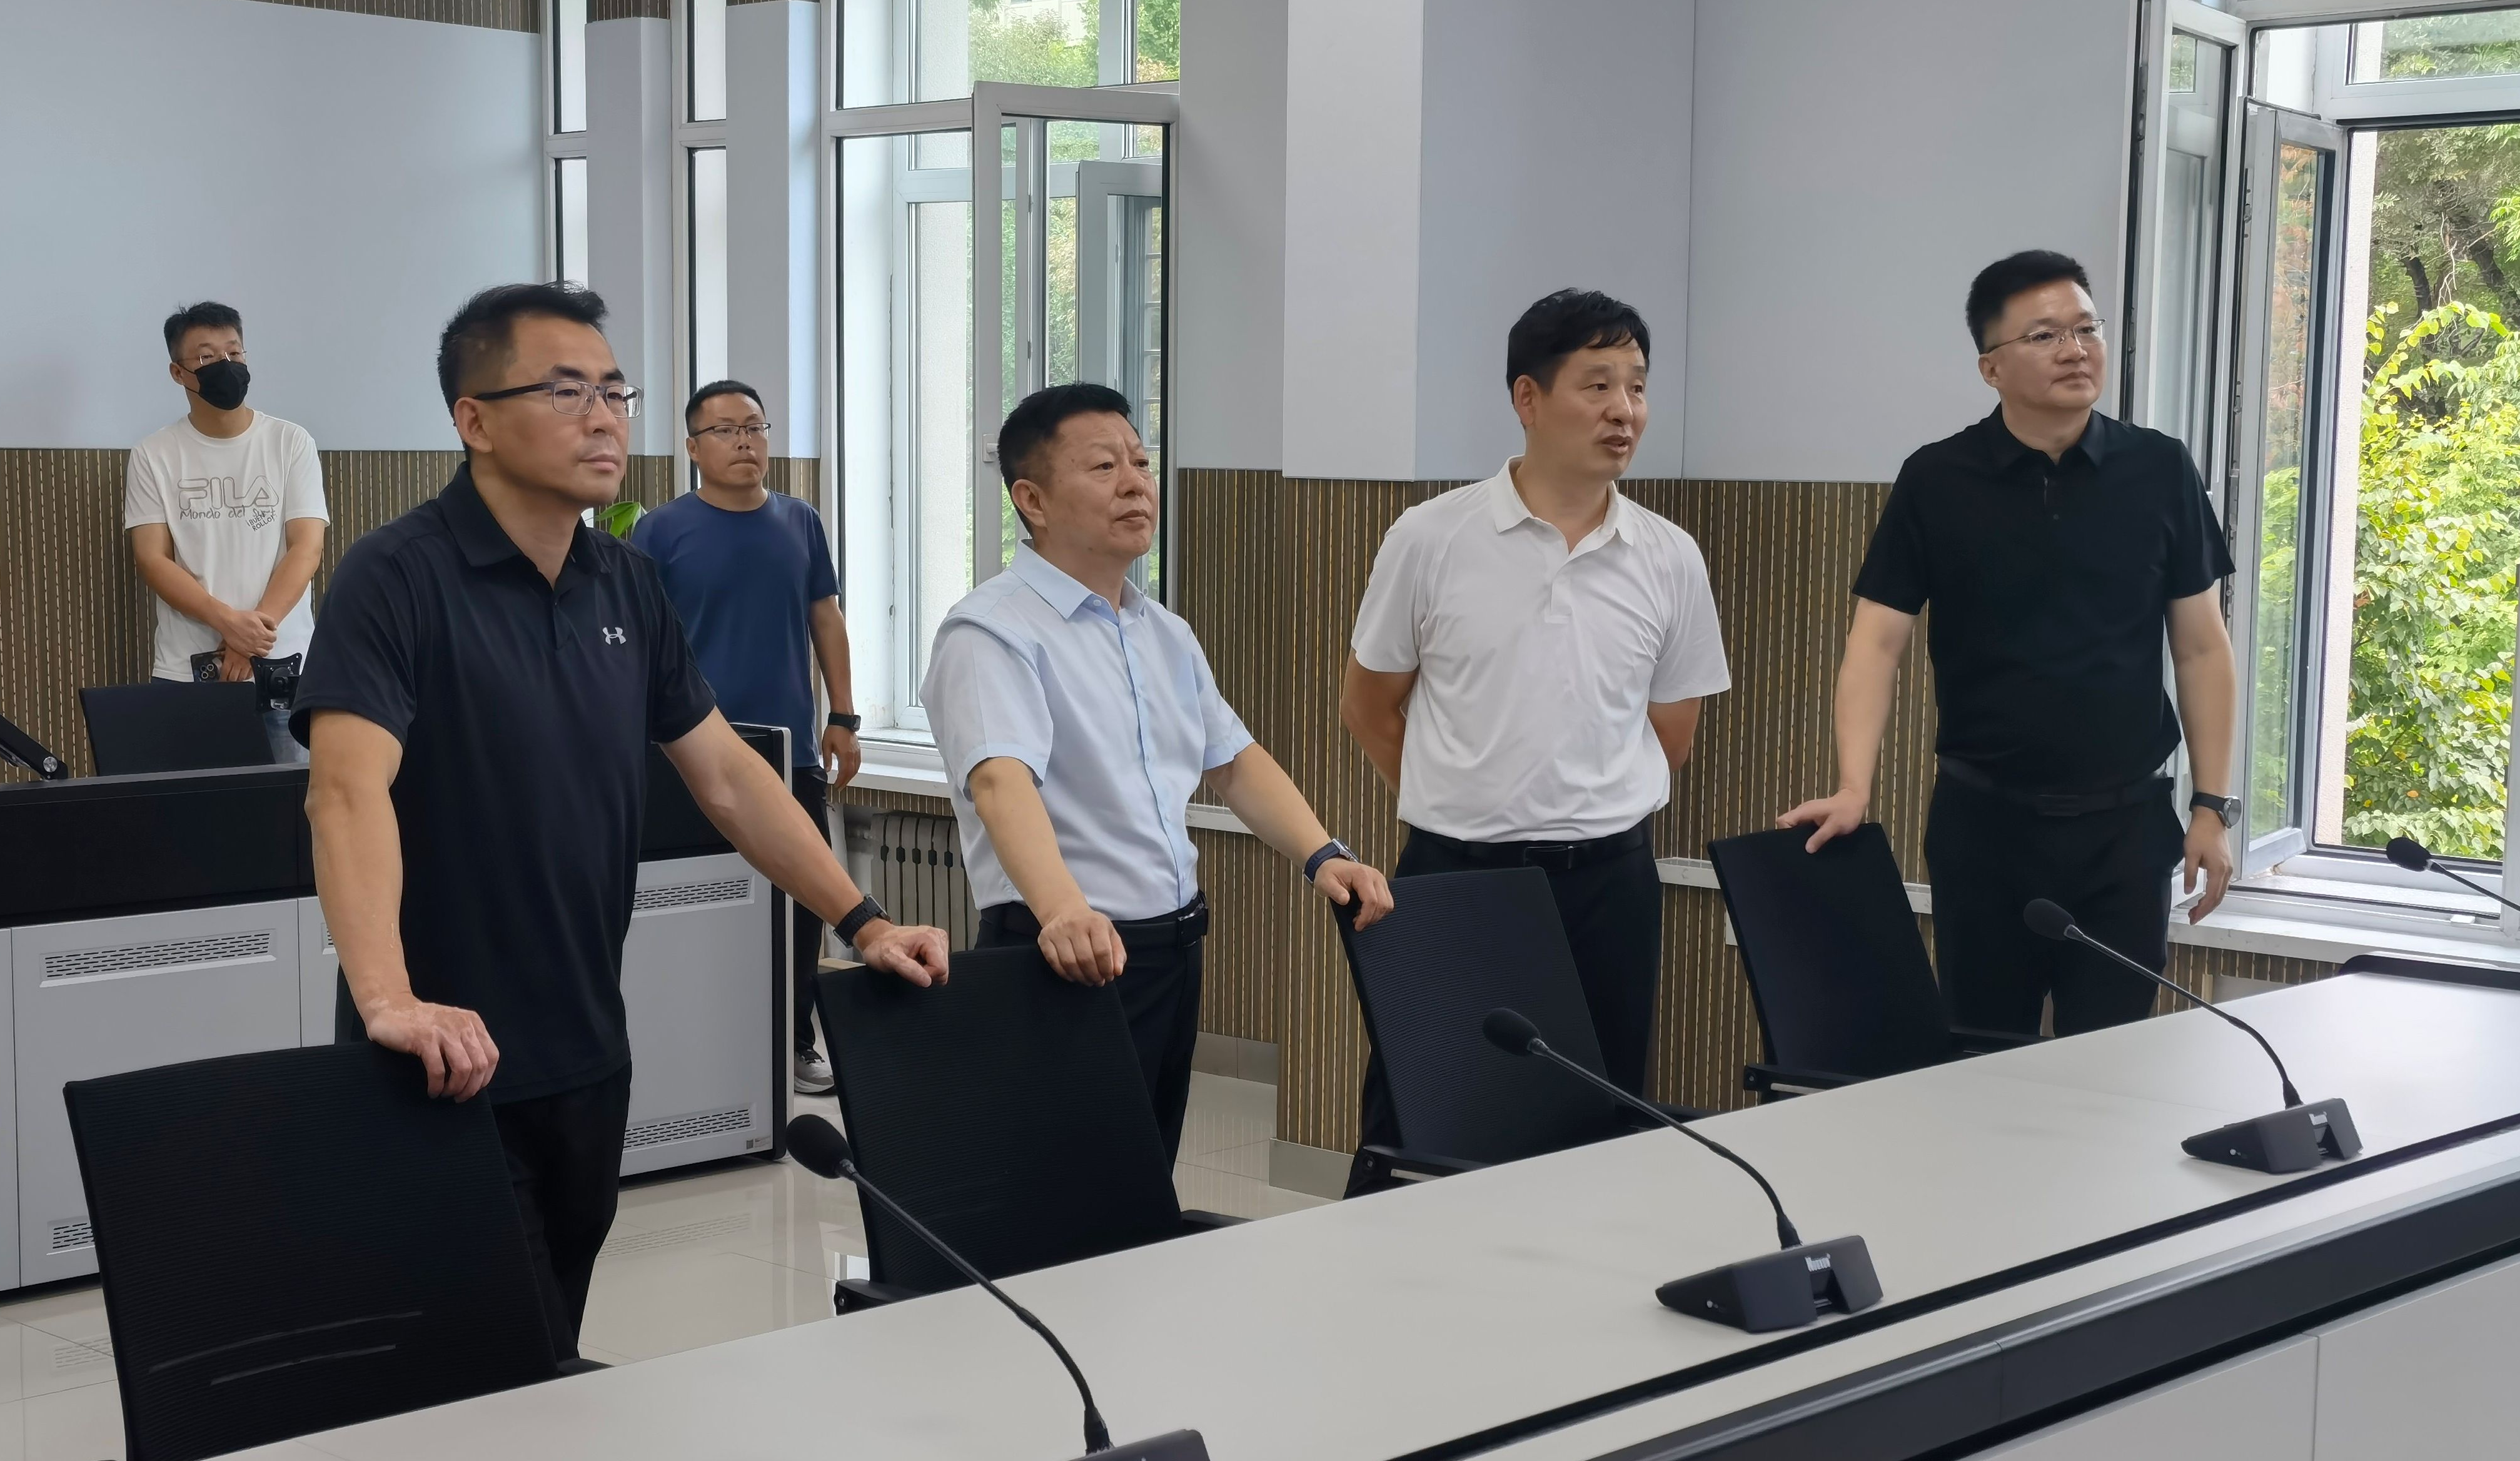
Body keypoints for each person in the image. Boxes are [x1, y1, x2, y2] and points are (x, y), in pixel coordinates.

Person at [293, 283, 950, 1356]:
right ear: (474, 419)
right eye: (565, 393)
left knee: (550, 1347)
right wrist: (388, 1000)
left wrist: (863, 921)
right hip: (439, 1057)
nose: (604, 419)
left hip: (588, 1051)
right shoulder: (397, 576)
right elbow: (344, 792)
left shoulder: (625, 583)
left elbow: (729, 775)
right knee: (469, 1372)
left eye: (613, 391)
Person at [922, 383, 1393, 1165]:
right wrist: (1063, 911)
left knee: (1142, 1176)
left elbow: (1233, 761)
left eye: (1141, 463)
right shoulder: (991, 632)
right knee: (1058, 1190)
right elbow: (1001, 782)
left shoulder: (1161, 630)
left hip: (1170, 948)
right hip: (1063, 950)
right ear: (1032, 500)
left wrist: (1323, 855)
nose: (1136, 484)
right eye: (1103, 467)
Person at [1779, 249, 2239, 1037]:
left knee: (2111, 1065)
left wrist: (2211, 807)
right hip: (1984, 828)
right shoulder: (1936, 480)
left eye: (2087, 329)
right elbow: (1875, 648)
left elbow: (2201, 649)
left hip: (2124, 828)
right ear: (1990, 368)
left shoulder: (2160, 469)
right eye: (2044, 335)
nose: (2075, 349)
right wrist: (1854, 786)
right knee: (1983, 1057)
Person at [1341, 289, 1730, 1191]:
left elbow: (1670, 732)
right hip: (1455, 878)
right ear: (1528, 397)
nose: (1624, 410)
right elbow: (1370, 706)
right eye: (1597, 385)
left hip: (1609, 882)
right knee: (1421, 1118)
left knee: (1597, 1121)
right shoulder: (1431, 537)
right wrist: (1465, 795)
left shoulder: (1669, 555)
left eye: (1637, 387)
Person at [634, 379, 860, 1096]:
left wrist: (844, 716)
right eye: (725, 430)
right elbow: (639, 642)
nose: (744, 441)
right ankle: (702, 1049)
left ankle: (794, 1043)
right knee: (699, 901)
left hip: (791, 750)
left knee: (802, 904)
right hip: (690, 754)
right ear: (693, 447)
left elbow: (826, 619)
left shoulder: (800, 522)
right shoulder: (660, 531)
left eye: (755, 428)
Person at [124, 300, 328, 763]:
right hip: (188, 671)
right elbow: (152, 559)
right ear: (178, 373)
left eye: (234, 353)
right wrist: (227, 624)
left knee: (293, 805)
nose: (226, 365)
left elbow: (306, 547)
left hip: (284, 669)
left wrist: (250, 639)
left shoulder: (290, 442)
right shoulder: (153, 454)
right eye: (207, 356)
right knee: (193, 804)